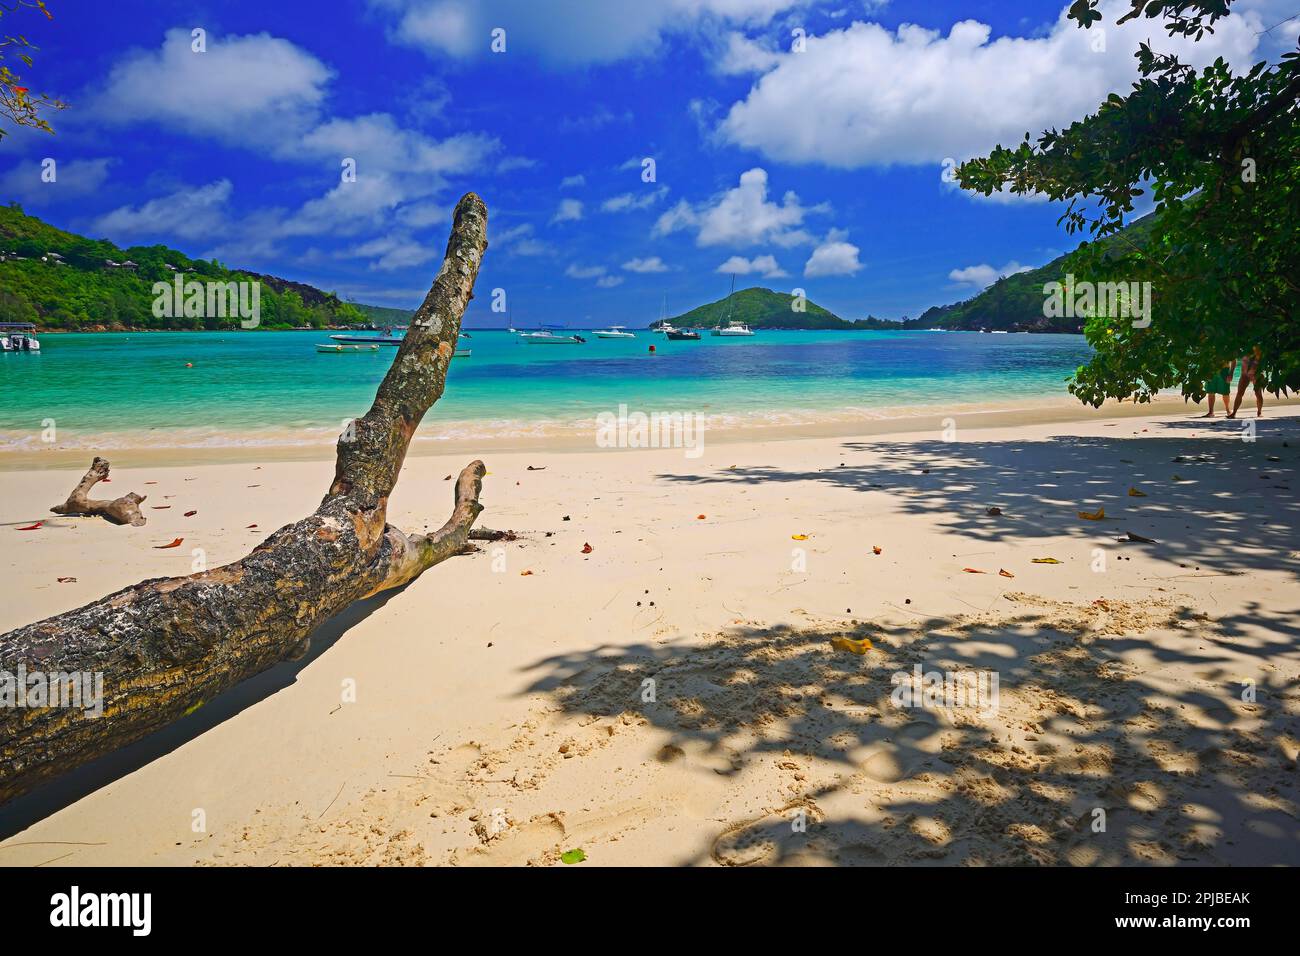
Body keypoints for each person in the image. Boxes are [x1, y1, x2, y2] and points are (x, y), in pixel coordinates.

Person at [1228, 347, 1264, 419]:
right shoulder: (1242, 348)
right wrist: (1231, 373)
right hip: (1244, 374)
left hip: (1256, 374)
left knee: (1258, 394)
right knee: (1239, 393)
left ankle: (1259, 412)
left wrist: (1253, 369)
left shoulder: (1256, 347)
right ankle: (1234, 413)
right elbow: (1234, 360)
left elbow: (1259, 359)